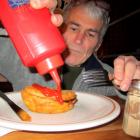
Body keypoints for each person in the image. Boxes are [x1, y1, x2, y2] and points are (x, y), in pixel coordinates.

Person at [0, 0, 140, 98]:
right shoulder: (25, 52)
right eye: (74, 28)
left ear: (98, 45)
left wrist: (134, 82)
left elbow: (131, 101)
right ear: (59, 27)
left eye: (90, 34)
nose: (79, 39)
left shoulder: (112, 76)